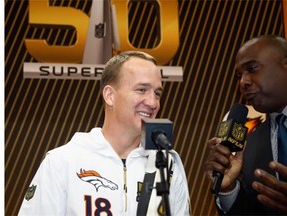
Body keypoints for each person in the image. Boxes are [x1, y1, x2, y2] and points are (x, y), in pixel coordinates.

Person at [18, 51, 191, 215]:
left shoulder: (167, 165)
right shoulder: (62, 162)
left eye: (157, 93)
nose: (153, 102)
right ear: (109, 95)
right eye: (141, 90)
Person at [205, 35, 287, 215]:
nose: (243, 82)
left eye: (252, 68)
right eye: (239, 76)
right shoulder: (250, 145)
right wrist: (228, 189)